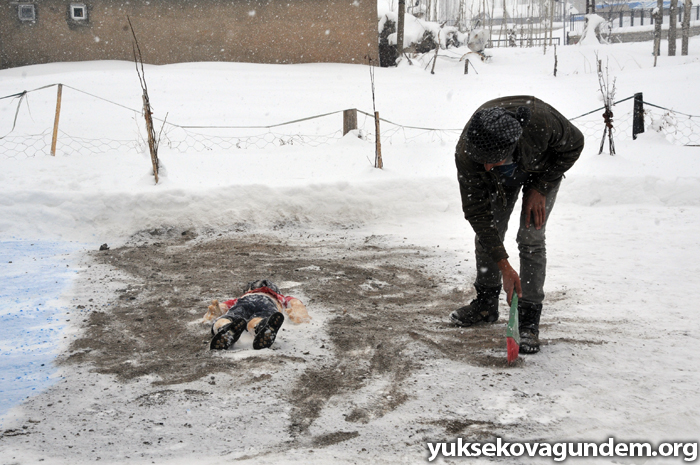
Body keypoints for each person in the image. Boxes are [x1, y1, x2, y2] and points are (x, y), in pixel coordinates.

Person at [452, 96, 584, 354]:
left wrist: (541, 186)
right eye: (483, 160)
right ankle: (486, 304)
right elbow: (478, 214)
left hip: (542, 168)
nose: (487, 165)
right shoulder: (469, 153)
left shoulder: (541, 123)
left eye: (494, 159)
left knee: (531, 237)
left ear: (511, 146)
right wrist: (504, 266)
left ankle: (529, 321)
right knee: (490, 234)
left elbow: (574, 145)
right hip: (502, 181)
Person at [204, 279, 310, 350]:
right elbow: (293, 302)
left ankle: (223, 326)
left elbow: (225, 306)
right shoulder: (279, 297)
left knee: (231, 316)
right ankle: (260, 326)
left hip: (245, 302)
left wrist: (217, 310)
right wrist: (299, 311)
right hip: (267, 302)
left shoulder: (242, 297)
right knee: (260, 319)